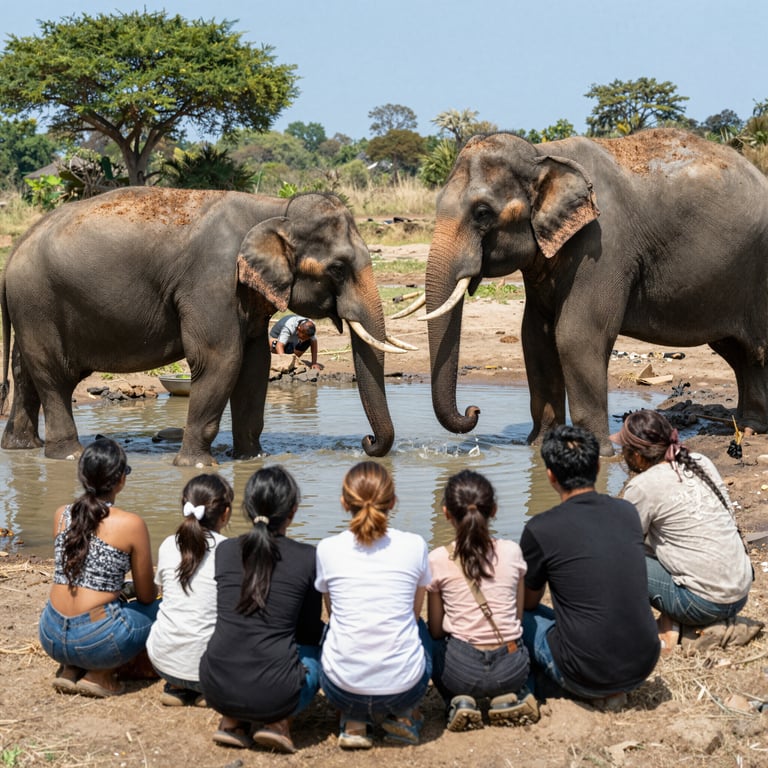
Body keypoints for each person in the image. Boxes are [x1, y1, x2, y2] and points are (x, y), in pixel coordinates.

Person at [520, 425, 660, 709]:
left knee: (516, 617)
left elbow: (527, 602)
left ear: (550, 477)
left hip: (587, 673)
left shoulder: (540, 528)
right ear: (597, 466)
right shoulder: (627, 512)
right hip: (643, 662)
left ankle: (548, 687)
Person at [199, 466, 323, 754]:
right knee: (317, 649)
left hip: (215, 686)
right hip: (277, 695)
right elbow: (307, 632)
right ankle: (277, 723)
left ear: (247, 508)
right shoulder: (307, 557)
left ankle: (231, 722)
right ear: (292, 511)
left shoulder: (225, 550)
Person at [611, 409, 754, 652]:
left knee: (615, 559)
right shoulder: (701, 462)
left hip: (703, 604)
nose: (622, 454)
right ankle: (676, 618)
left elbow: (623, 546)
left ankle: (652, 631)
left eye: (624, 449)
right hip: (739, 594)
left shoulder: (642, 486)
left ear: (637, 456)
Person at [315, 461, 431, 749]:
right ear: (393, 501)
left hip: (341, 690)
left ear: (344, 503)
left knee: (331, 630)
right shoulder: (415, 545)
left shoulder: (327, 549)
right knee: (422, 629)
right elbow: (414, 615)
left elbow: (333, 615)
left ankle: (354, 722)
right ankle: (404, 716)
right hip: (404, 689)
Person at [38, 437, 158, 698]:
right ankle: (100, 676)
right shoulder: (131, 524)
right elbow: (147, 596)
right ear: (121, 480)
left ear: (82, 476)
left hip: (51, 634)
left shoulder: (62, 514)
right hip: (97, 639)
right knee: (158, 608)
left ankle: (70, 668)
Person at [427, 470, 538, 731]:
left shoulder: (437, 558)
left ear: (445, 513)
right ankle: (512, 695)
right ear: (494, 509)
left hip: (459, 672)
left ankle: (457, 701)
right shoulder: (512, 551)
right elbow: (517, 617)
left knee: (427, 637)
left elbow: (434, 630)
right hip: (511, 669)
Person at [146, 474, 233, 706]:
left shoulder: (167, 544)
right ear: (225, 514)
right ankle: (207, 690)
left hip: (164, 663)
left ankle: (176, 687)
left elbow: (164, 593)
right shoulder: (230, 550)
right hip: (212, 670)